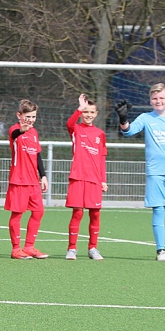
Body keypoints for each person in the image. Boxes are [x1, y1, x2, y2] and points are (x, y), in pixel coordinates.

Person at [116, 83, 165, 261]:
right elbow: (129, 131)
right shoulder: (146, 118)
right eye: (155, 98)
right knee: (159, 209)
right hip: (156, 172)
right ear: (150, 101)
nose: (159, 101)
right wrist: (123, 119)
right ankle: (160, 251)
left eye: (162, 98)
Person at [5, 99, 49, 259]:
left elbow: (37, 155)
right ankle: (16, 249)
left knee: (38, 212)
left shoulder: (34, 132)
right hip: (19, 180)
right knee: (17, 215)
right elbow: (14, 135)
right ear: (19, 115)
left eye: (33, 116)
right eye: (27, 116)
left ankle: (29, 247)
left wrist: (43, 176)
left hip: (33, 181)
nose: (30, 120)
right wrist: (21, 131)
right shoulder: (15, 130)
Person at [66, 94, 108, 260]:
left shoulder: (100, 134)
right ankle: (72, 248)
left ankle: (92, 248)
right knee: (77, 213)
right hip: (78, 177)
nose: (88, 115)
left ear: (96, 114)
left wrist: (103, 180)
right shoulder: (76, 129)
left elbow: (102, 158)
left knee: (95, 214)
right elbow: (69, 123)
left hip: (94, 180)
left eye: (91, 112)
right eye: (85, 112)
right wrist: (79, 108)